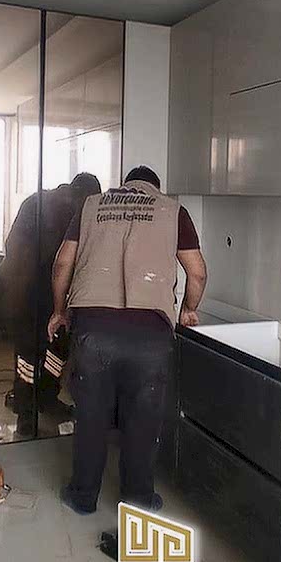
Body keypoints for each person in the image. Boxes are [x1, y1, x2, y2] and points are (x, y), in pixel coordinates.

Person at [48, 165, 207, 514]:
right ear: (155, 189)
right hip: (149, 333)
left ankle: (83, 496)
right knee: (142, 420)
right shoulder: (172, 211)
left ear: (125, 184)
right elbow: (197, 273)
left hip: (93, 329)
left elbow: (62, 264)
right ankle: (137, 502)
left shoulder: (91, 206)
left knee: (91, 415)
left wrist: (59, 311)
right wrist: (188, 309)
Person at [0, 172, 101, 437]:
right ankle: (28, 410)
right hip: (31, 290)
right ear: (87, 196)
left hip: (28, 289)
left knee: (46, 349)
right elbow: (68, 260)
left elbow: (11, 245)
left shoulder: (39, 201)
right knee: (34, 351)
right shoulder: (73, 210)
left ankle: (41, 400)